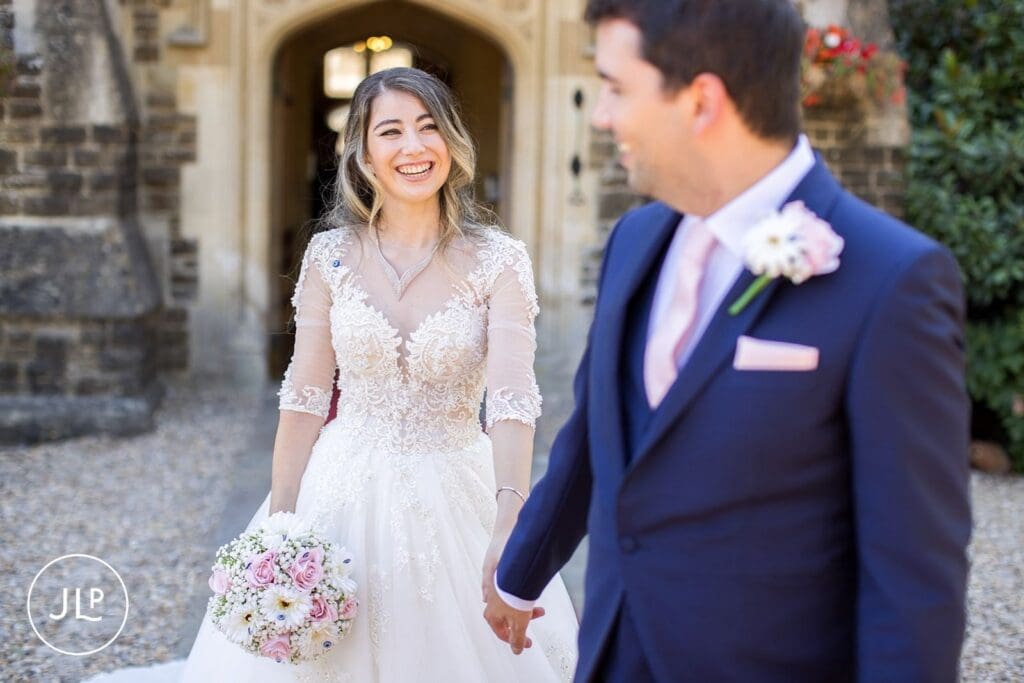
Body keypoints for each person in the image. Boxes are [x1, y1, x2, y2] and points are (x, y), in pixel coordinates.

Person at [484, 1, 972, 681]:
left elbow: (913, 588)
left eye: (616, 88)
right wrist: (518, 576)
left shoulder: (891, 281)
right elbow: (599, 432)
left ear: (701, 101)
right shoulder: (635, 241)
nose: (601, 115)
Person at [181, 67, 578, 682]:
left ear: (451, 141)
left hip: (457, 488)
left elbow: (511, 400)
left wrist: (509, 522)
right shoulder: (329, 256)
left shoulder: (499, 260)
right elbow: (305, 396)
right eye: (390, 131)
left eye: (428, 127)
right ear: (364, 156)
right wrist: (280, 524)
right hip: (340, 487)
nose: (413, 147)